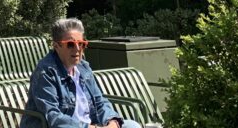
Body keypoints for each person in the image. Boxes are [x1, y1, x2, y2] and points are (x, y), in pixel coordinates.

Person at [21, 18, 156, 128]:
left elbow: (100, 101)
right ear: (56, 46)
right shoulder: (46, 72)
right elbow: (53, 117)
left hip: (92, 125)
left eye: (81, 44)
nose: (77, 49)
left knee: (132, 126)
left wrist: (113, 122)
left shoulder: (84, 68)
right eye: (70, 44)